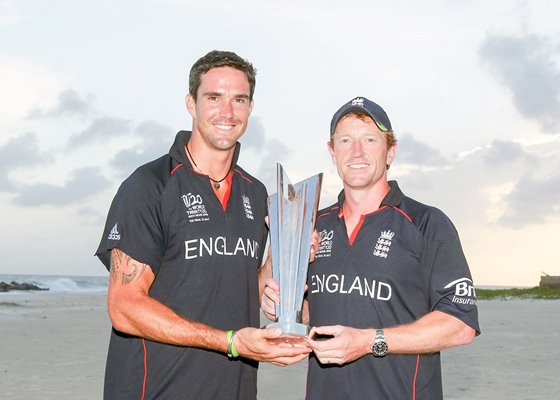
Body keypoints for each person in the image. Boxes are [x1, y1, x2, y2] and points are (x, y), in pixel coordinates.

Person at [95, 50, 311, 400]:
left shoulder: (255, 193)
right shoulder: (150, 185)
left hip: (234, 389)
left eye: (239, 99)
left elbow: (243, 284)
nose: (227, 112)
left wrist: (288, 255)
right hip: (156, 389)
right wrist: (230, 342)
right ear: (191, 104)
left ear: (250, 108)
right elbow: (124, 307)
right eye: (214, 98)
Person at [263, 96, 480, 399]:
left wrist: (369, 342)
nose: (356, 152)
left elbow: (460, 325)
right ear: (332, 151)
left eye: (369, 140)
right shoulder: (313, 226)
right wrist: (285, 304)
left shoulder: (426, 224)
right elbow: (316, 312)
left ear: (390, 151)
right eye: (345, 140)